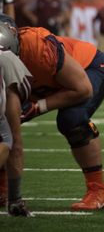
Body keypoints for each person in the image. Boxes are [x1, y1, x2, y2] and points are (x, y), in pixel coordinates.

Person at [0, 14, 104, 211]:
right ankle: (3, 189)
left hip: (88, 68)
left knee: (72, 119)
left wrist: (37, 107)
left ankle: (98, 191)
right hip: (46, 84)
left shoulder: (39, 47)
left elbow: (82, 89)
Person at [0, 27, 32, 216]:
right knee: (8, 139)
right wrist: (14, 199)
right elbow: (15, 142)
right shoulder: (9, 60)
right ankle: (14, 199)